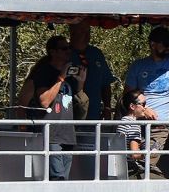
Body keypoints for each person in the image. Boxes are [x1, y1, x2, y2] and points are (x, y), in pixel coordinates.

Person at [123, 26, 169, 178]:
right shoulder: (138, 66)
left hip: (159, 127)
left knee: (147, 161)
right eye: (164, 43)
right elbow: (128, 96)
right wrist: (142, 110)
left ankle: (162, 191)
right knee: (129, 161)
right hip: (135, 124)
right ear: (152, 44)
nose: (168, 47)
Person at [21, 36, 83, 180]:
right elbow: (44, 101)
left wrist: (81, 82)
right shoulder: (44, 72)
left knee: (64, 179)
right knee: (57, 177)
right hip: (51, 135)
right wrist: (61, 78)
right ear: (52, 52)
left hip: (68, 134)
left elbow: (73, 101)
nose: (68, 51)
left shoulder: (70, 73)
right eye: (64, 48)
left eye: (69, 48)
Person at [67, 23, 114, 120]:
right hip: (70, 113)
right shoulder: (64, 53)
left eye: (88, 31)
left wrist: (107, 107)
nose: (87, 35)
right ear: (72, 32)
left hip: (93, 113)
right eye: (82, 31)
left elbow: (105, 83)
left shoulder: (96, 53)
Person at [115, 87, 155, 178]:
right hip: (130, 169)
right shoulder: (134, 125)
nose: (146, 108)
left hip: (121, 166)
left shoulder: (123, 121)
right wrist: (148, 152)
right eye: (143, 104)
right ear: (132, 106)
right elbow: (135, 154)